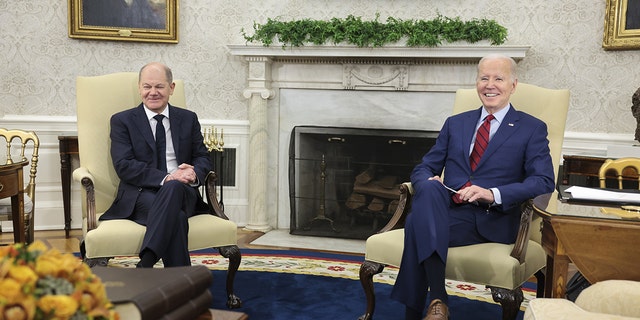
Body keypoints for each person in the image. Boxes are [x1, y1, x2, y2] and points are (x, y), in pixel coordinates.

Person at [390, 54, 555, 320]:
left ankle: (422, 308)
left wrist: (492, 194)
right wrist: (428, 181)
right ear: (476, 82)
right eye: (484, 78)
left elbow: (544, 181)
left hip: (492, 218)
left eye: (498, 78)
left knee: (415, 224)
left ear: (513, 85)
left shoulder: (531, 128)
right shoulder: (456, 123)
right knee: (430, 189)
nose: (490, 85)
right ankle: (438, 301)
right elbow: (424, 168)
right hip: (449, 210)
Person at [101, 62, 212, 268]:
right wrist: (168, 178)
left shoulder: (188, 119)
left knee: (175, 187)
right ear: (139, 88)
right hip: (141, 195)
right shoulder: (122, 121)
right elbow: (124, 165)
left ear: (171, 88)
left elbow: (203, 157)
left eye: (159, 86)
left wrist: (193, 172)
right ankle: (178, 282)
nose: (152, 92)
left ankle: (146, 264)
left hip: (183, 191)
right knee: (176, 218)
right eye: (147, 86)